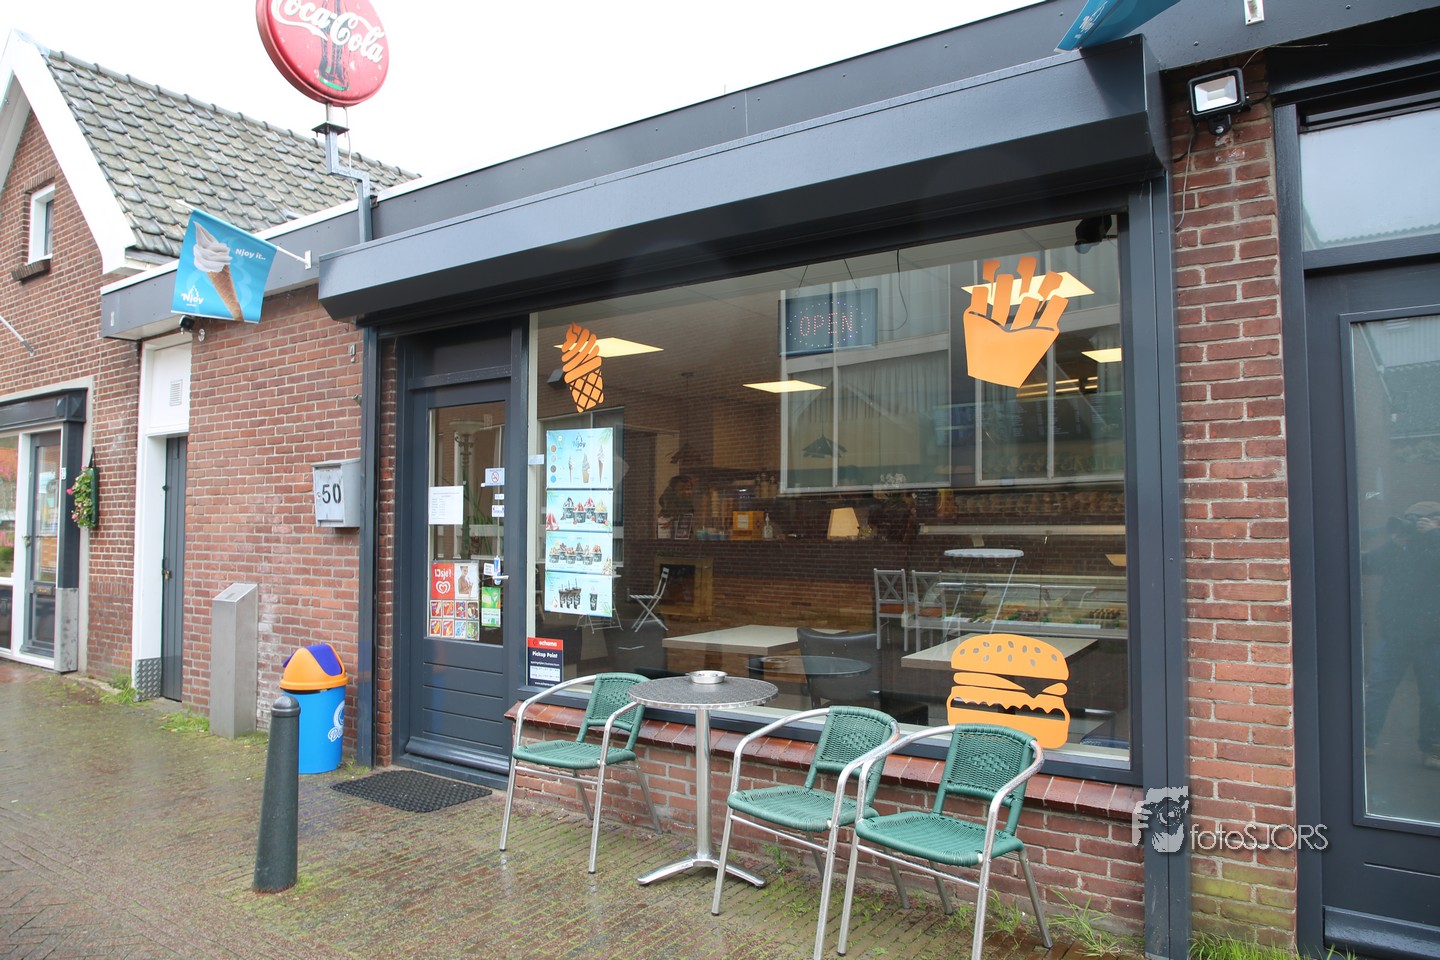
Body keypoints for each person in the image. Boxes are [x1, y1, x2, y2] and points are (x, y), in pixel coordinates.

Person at [1363, 500, 1440, 770]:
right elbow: (1365, 564)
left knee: (1434, 696)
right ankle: (1365, 743)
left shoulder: (1435, 544)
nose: (1414, 525)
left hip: (1433, 637)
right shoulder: (1399, 549)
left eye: (1420, 520)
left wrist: (1435, 535)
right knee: (1378, 689)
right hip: (1394, 635)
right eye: (1410, 519)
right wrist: (1394, 544)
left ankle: (1433, 750)